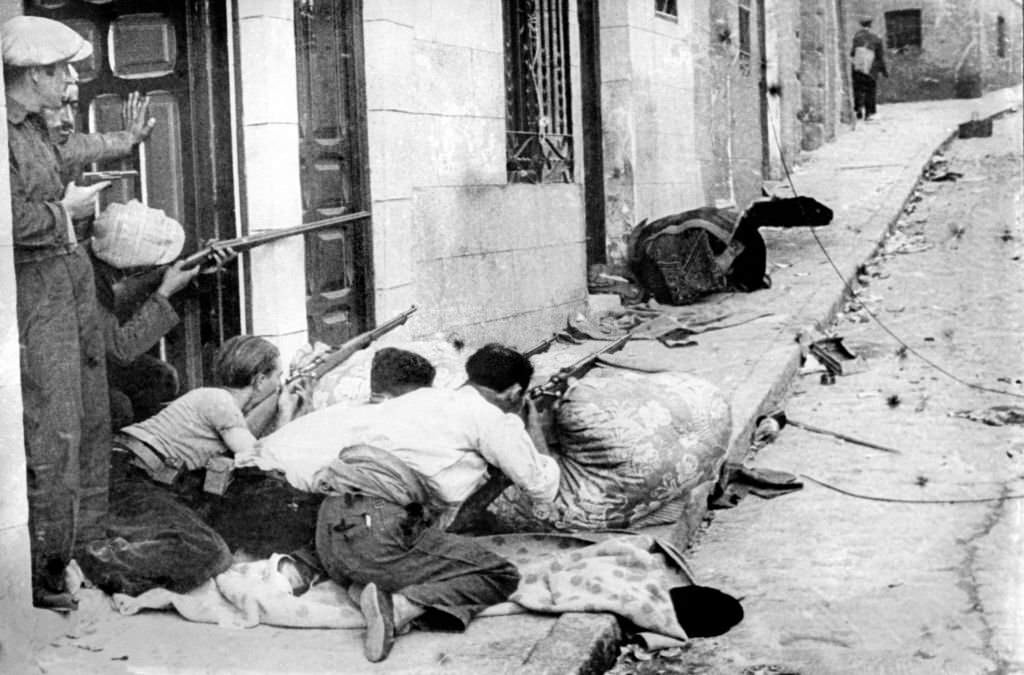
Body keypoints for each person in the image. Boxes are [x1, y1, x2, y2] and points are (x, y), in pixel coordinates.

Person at [252, 344, 560, 662]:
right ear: (514, 392)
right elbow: (541, 487)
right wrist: (531, 425)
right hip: (377, 533)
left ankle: (330, 577)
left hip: (329, 524)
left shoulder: (414, 400)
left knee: (410, 541)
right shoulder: (492, 418)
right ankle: (398, 608)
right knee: (500, 574)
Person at [2, 16, 152, 609]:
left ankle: (85, 543)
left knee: (91, 413)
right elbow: (9, 222)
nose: (69, 82)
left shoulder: (36, 126)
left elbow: (72, 148)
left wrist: (125, 141)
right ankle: (46, 567)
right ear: (33, 73)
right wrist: (66, 214)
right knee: (54, 426)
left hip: (68, 280)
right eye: (61, 70)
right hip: (35, 289)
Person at [77, 335, 304, 596]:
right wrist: (286, 412)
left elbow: (251, 447)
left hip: (131, 477)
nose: (279, 383)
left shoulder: (214, 402)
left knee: (206, 541)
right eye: (278, 376)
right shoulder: (219, 401)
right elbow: (257, 456)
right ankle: (90, 561)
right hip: (126, 478)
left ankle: (112, 566)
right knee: (210, 552)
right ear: (260, 380)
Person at [850, 17, 888, 122]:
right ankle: (869, 113)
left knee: (858, 89)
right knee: (870, 91)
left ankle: (857, 110)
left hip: (858, 68)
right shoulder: (876, 38)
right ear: (871, 25)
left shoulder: (856, 38)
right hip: (871, 69)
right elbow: (880, 57)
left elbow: (852, 53)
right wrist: (884, 71)